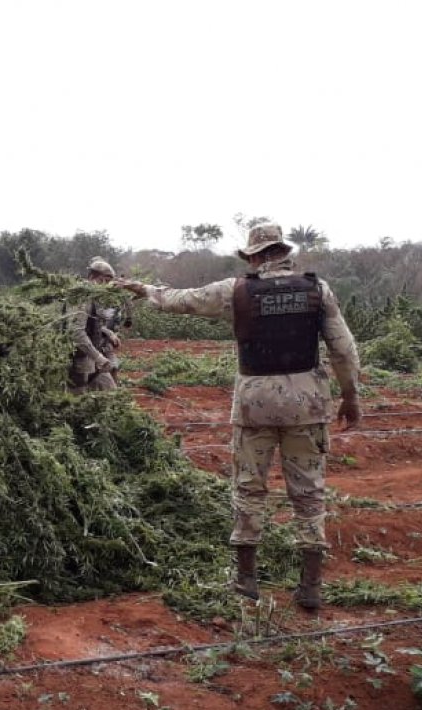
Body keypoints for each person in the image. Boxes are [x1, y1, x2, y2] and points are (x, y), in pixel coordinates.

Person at [117, 223, 362, 610]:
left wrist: (144, 289)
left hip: (253, 407)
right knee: (309, 493)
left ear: (254, 256)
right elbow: (344, 350)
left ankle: (246, 581)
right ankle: (310, 586)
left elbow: (181, 300)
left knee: (249, 488)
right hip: (307, 405)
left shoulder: (237, 291)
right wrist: (350, 397)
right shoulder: (318, 289)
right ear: (284, 253)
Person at [69, 257, 129, 392]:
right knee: (78, 399)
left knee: (111, 391)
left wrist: (108, 333)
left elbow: (91, 323)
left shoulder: (92, 298)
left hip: (91, 356)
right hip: (77, 359)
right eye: (104, 281)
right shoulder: (81, 298)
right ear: (92, 277)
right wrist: (99, 358)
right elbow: (76, 332)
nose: (105, 285)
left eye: (108, 282)